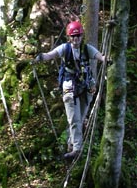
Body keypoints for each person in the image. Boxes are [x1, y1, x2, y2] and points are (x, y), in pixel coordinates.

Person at [34, 20, 107, 160]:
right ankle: (77, 149)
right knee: (74, 118)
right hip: (70, 86)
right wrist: (41, 57)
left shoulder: (87, 49)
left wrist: (105, 59)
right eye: (73, 36)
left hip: (85, 86)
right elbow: (51, 54)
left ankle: (71, 143)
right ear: (69, 37)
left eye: (78, 36)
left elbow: (99, 56)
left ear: (82, 36)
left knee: (80, 116)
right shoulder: (65, 48)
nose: (76, 39)